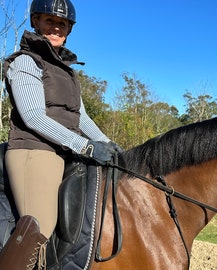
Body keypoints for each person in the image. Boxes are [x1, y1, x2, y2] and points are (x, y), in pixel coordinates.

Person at [0, 0, 122, 269]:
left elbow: (82, 118)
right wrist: (86, 147)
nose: (56, 27)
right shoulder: (25, 62)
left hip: (65, 151)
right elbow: (33, 116)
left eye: (62, 24)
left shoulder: (67, 72)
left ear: (69, 29)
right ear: (35, 22)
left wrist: (107, 144)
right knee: (39, 228)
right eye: (49, 21)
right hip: (35, 151)